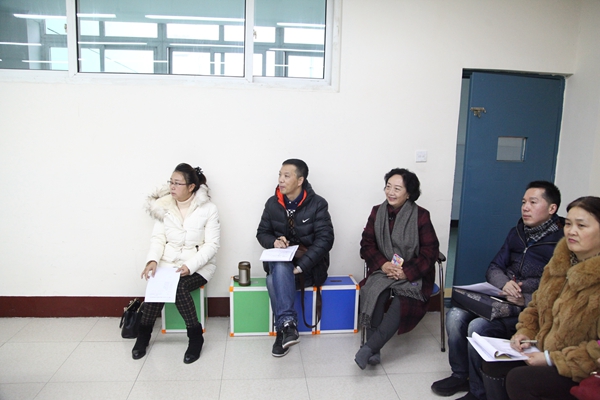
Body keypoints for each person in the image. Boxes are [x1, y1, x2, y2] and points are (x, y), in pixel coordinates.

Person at [431, 181, 564, 400]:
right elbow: (494, 267)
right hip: (501, 297)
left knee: (477, 327)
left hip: (528, 307)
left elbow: (556, 287)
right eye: (523, 202)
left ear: (552, 208)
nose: (525, 207)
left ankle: (479, 391)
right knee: (454, 316)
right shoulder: (517, 233)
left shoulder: (562, 243)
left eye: (533, 202)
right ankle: (460, 375)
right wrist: (504, 284)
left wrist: (524, 298)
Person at [497, 196, 600, 400]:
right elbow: (536, 306)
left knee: (519, 380)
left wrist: (550, 359)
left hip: (580, 368)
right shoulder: (560, 262)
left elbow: (597, 349)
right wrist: (525, 333)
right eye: (568, 224)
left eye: (581, 226)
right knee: (494, 363)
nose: (571, 231)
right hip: (543, 349)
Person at [131, 163, 220, 364]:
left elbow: (212, 245)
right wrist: (152, 260)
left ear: (191, 187)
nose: (172, 186)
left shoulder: (209, 209)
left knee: (179, 286)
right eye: (171, 182)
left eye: (177, 183)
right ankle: (143, 335)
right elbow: (158, 239)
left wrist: (190, 266)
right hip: (168, 263)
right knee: (156, 285)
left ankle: (195, 337)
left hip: (199, 266)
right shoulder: (164, 206)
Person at [355, 168, 440, 369]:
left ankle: (370, 347)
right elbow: (366, 245)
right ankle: (374, 351)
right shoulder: (377, 212)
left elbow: (430, 252)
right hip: (384, 270)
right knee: (376, 292)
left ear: (408, 193)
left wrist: (405, 272)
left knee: (403, 298)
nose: (391, 192)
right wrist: (383, 264)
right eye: (388, 187)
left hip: (414, 273)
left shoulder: (421, 215)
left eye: (397, 189)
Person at [256, 159, 334, 357]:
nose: (281, 180)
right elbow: (262, 233)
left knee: (272, 280)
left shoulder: (318, 204)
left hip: (309, 269)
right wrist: (274, 242)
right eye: (280, 175)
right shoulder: (273, 203)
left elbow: (325, 240)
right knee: (280, 266)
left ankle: (282, 330)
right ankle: (288, 325)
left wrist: (300, 267)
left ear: (300, 180)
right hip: (282, 265)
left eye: (286, 176)